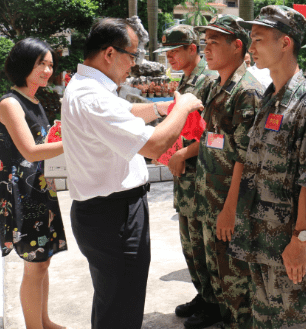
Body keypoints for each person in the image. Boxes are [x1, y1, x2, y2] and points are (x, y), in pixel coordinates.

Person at [62, 17, 204, 329]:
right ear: (110, 54)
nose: (135, 64)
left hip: (106, 212)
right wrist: (183, 107)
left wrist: (163, 108)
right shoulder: (92, 96)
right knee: (122, 309)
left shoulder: (88, 87)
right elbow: (154, 146)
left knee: (112, 301)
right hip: (114, 217)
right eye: (133, 55)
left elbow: (123, 113)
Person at [227, 5, 306, 329]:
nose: (251, 47)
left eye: (257, 39)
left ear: (285, 43)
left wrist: (300, 241)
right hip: (260, 241)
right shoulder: (269, 97)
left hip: (288, 248)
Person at [178, 15, 264, 329]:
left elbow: (246, 158)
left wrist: (230, 210)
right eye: (206, 42)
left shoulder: (248, 91)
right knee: (217, 275)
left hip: (230, 205)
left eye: (215, 42)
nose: (207, 48)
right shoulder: (217, 85)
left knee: (236, 283)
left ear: (237, 45)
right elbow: (209, 139)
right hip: (209, 197)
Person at [152, 24, 220, 328]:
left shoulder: (209, 81)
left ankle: (213, 303)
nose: (169, 57)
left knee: (204, 245)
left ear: (192, 49)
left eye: (174, 51)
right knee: (190, 242)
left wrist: (181, 154)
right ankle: (202, 294)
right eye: (166, 52)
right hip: (186, 177)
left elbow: (213, 134)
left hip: (201, 175)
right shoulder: (188, 80)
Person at [0, 38, 67, 329]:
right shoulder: (10, 103)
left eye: (50, 64)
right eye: (41, 63)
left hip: (40, 189)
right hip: (22, 194)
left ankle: (43, 320)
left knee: (43, 261)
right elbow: (29, 151)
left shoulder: (36, 100)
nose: (48, 70)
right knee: (35, 264)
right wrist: (74, 142)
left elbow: (42, 145)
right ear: (23, 63)